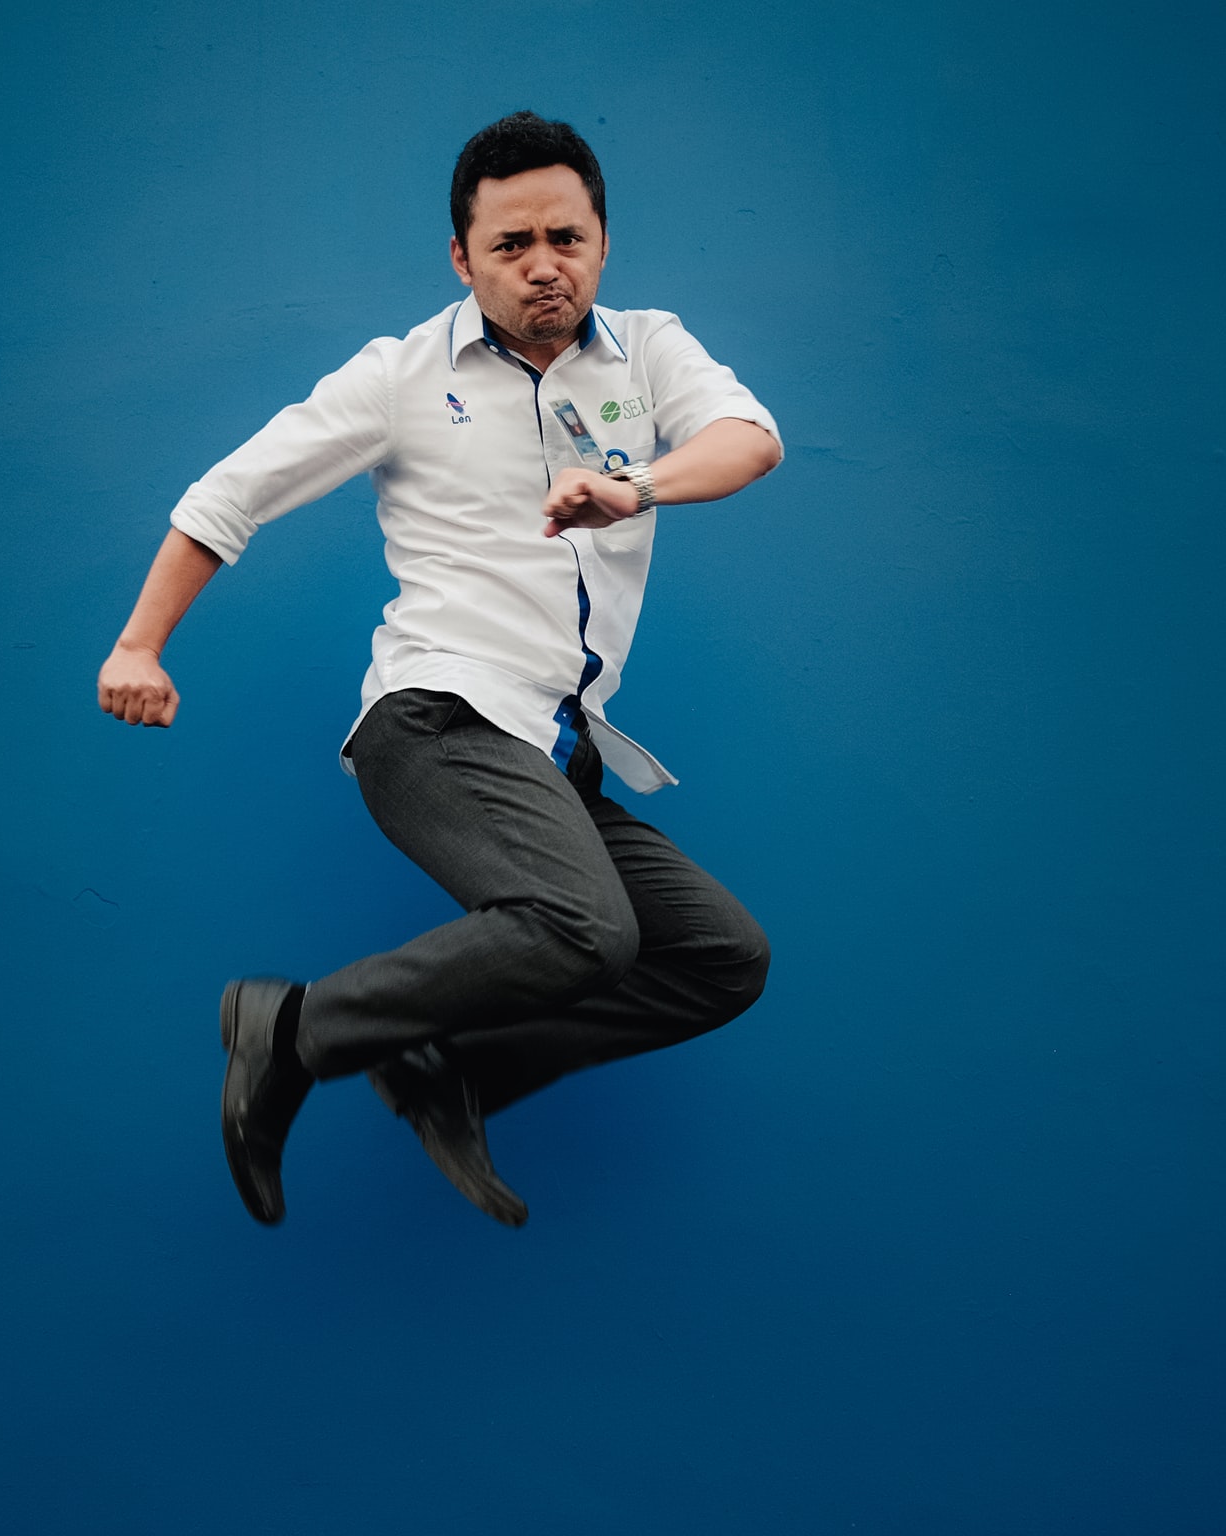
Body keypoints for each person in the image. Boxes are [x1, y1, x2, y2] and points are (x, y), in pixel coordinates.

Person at [96, 111, 780, 1227]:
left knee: (719, 957)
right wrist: (139, 644)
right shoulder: (401, 374)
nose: (544, 265)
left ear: (603, 243)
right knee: (586, 927)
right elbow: (230, 495)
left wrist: (634, 487)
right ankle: (291, 1028)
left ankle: (451, 1069)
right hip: (438, 721)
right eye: (512, 245)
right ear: (463, 259)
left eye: (566, 238)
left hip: (552, 750)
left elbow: (749, 438)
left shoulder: (649, 349)